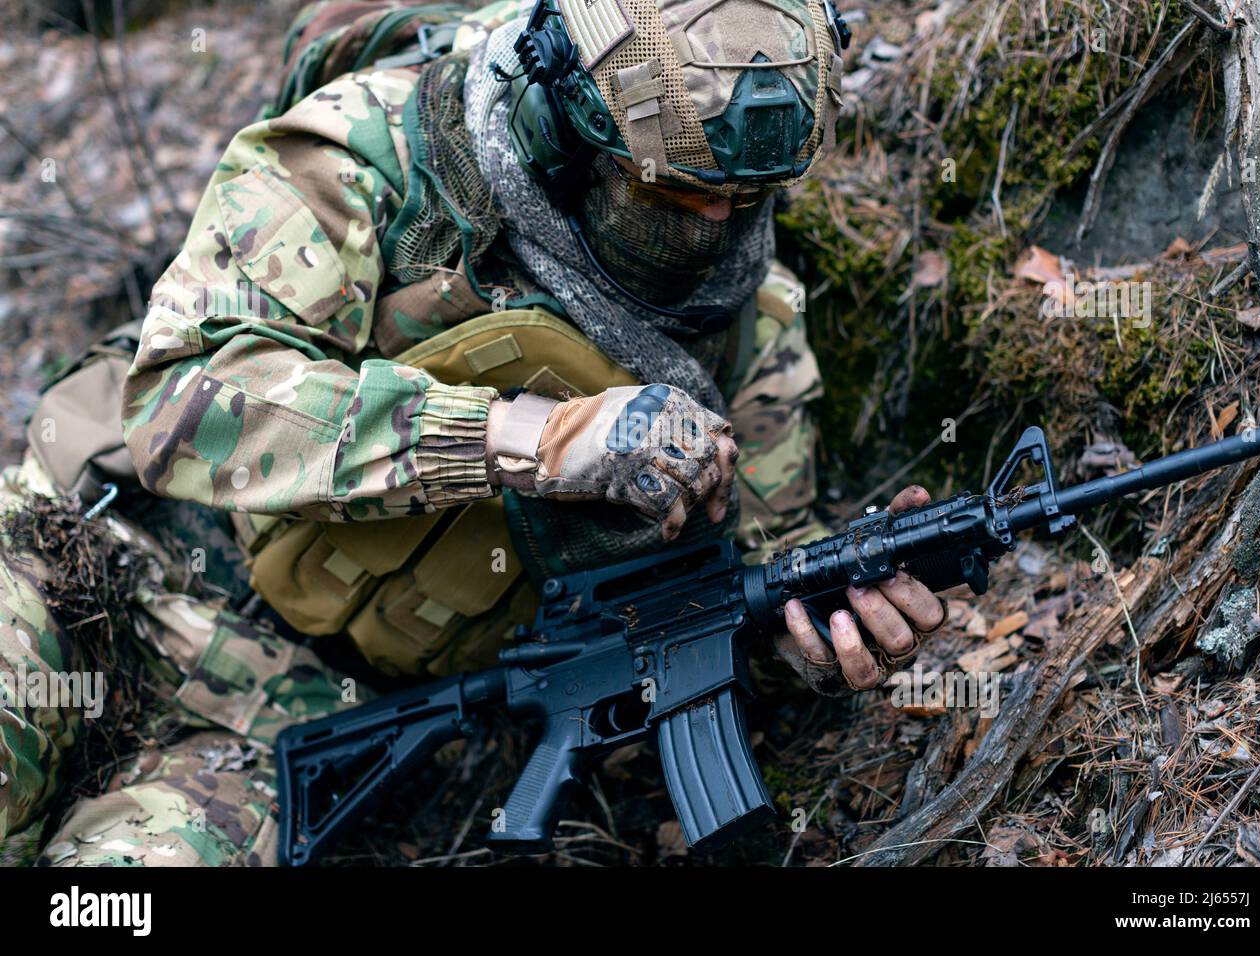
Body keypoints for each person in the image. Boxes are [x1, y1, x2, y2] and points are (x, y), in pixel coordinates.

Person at [0, 0, 943, 866]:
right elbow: (185, 399)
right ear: (565, 130)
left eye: (743, 200)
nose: (713, 226)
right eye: (673, 195)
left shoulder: (750, 320)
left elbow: (736, 584)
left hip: (283, 723)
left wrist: (810, 636)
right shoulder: (374, 149)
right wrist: (530, 439)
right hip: (98, 554)